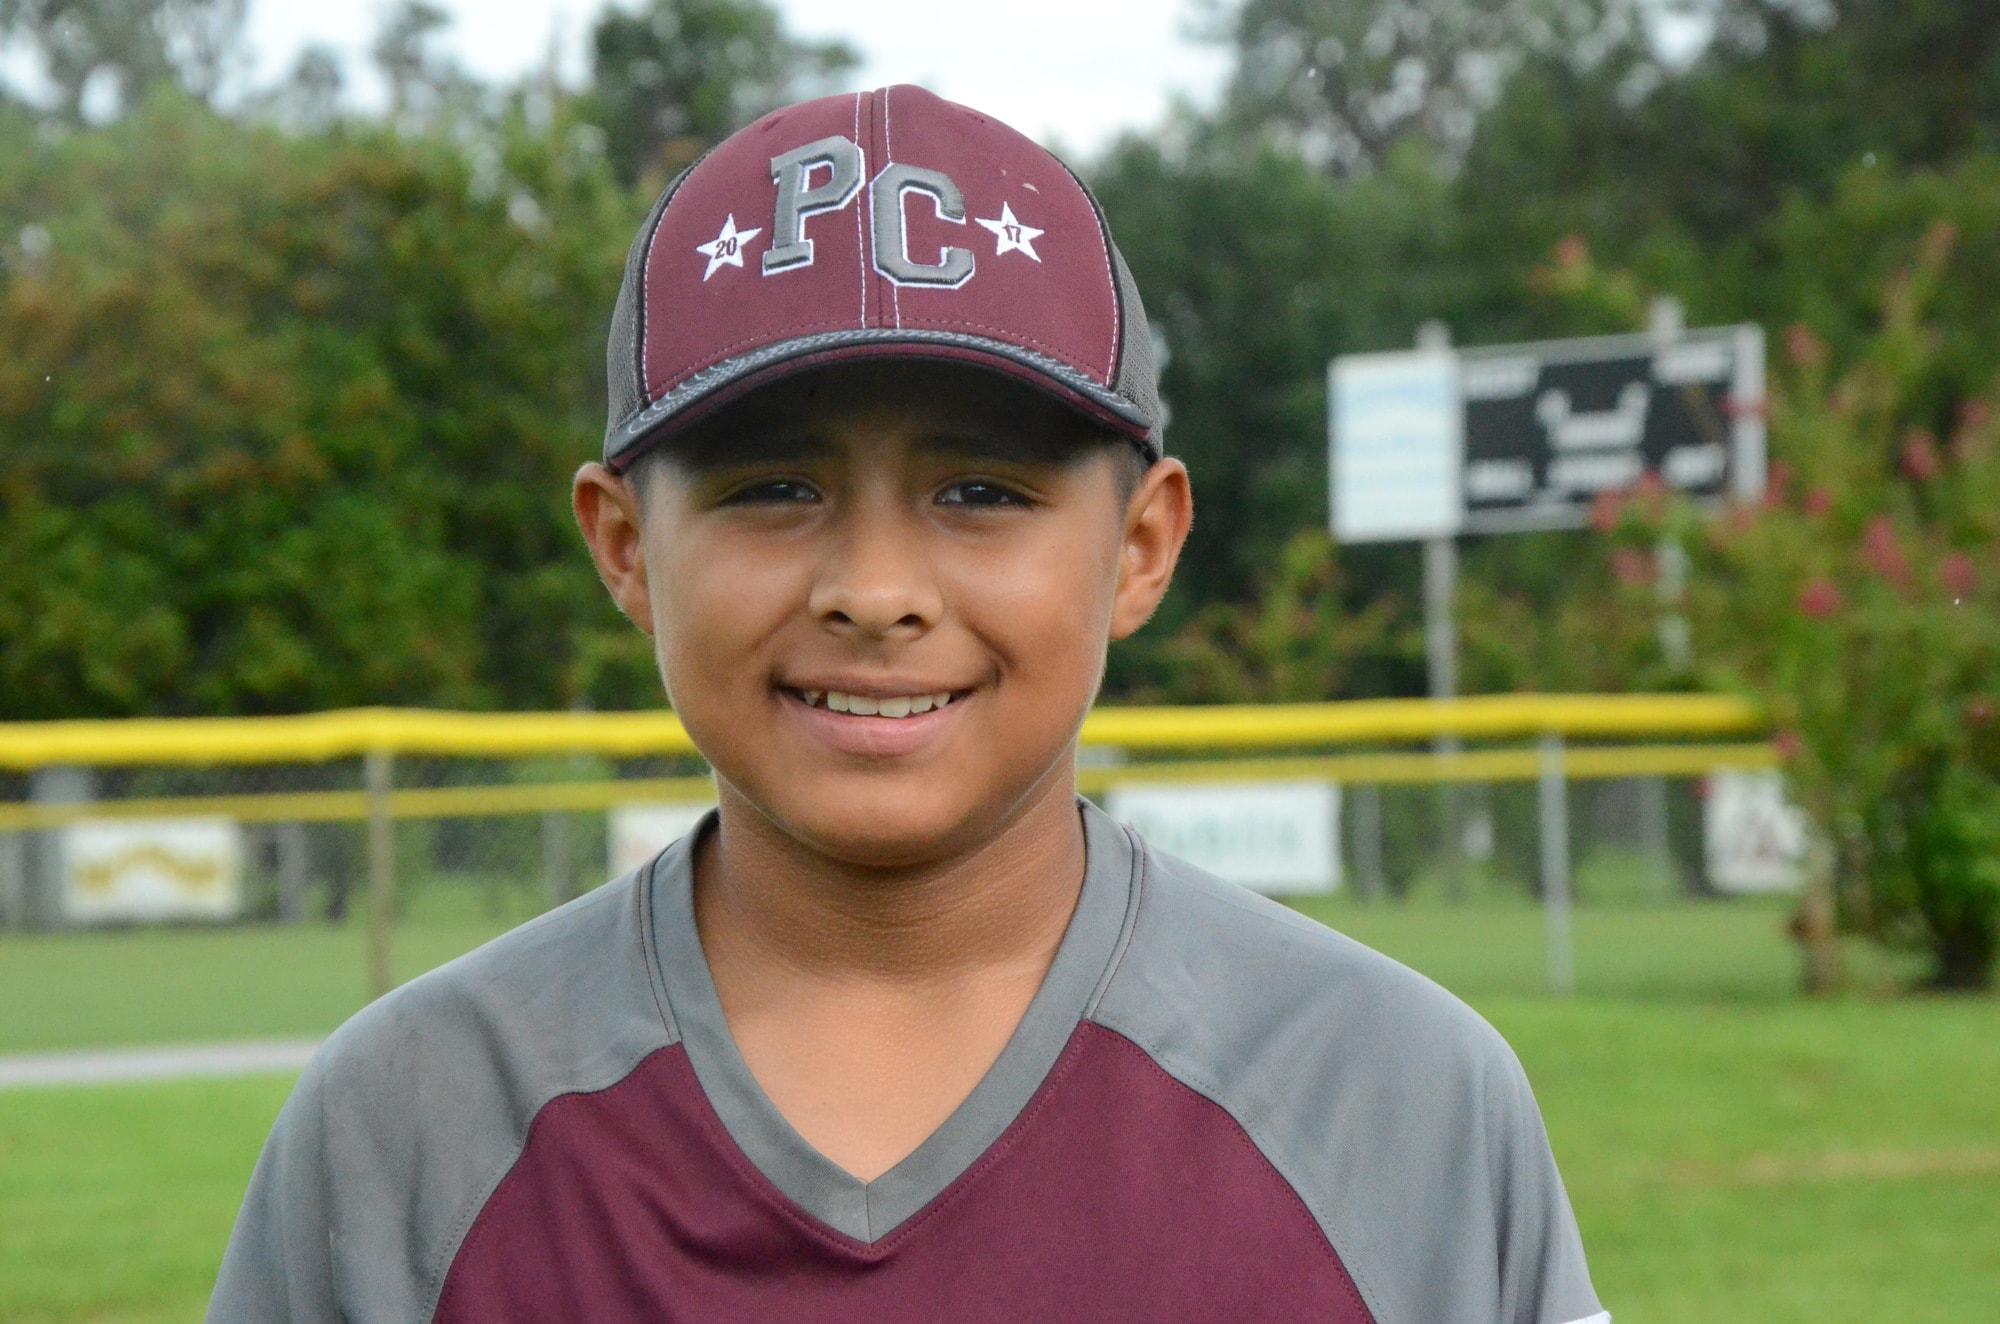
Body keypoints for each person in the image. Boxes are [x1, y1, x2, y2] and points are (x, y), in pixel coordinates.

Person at [209, 85, 1607, 1324]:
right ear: (626, 548)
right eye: (774, 487)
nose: (875, 590)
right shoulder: (408, 1129)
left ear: (1142, 548)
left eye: (981, 491)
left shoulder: (1392, 1099)